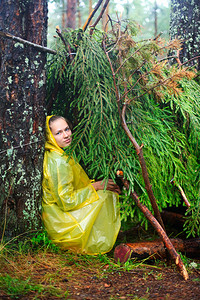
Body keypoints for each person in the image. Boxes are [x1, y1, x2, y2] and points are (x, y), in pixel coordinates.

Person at [42, 115, 121, 255]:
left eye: (67, 129)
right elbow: (67, 201)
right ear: (50, 137)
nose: (66, 135)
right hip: (59, 223)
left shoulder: (57, 153)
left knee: (104, 192)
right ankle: (93, 242)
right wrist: (95, 187)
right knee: (105, 195)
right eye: (58, 133)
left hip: (56, 214)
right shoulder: (58, 161)